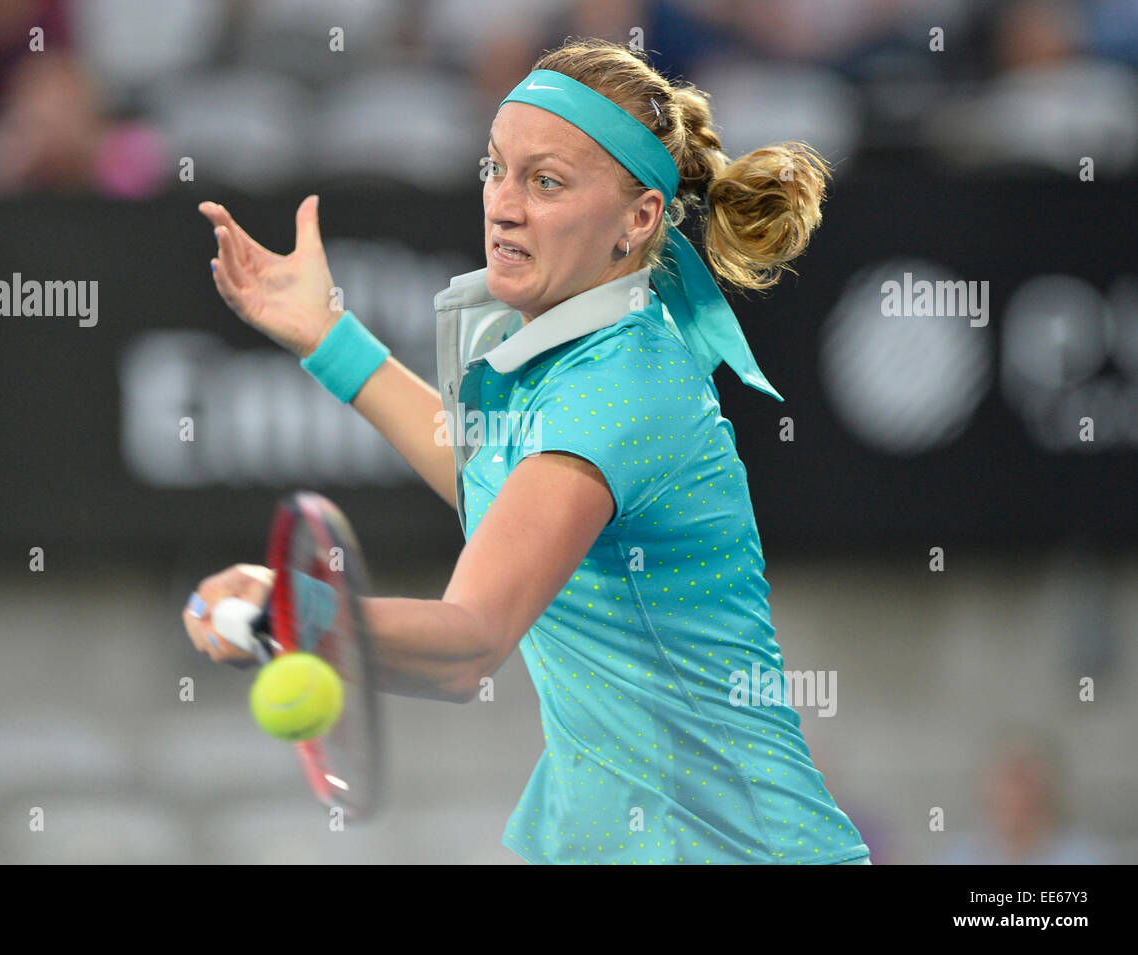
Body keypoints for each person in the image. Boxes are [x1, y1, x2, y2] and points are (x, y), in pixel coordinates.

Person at [183, 37, 870, 865]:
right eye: (496, 168)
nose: (503, 204)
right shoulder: (578, 352)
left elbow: (468, 644)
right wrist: (326, 336)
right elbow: (490, 487)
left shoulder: (622, 386)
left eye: (545, 182)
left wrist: (288, 616)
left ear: (639, 217)